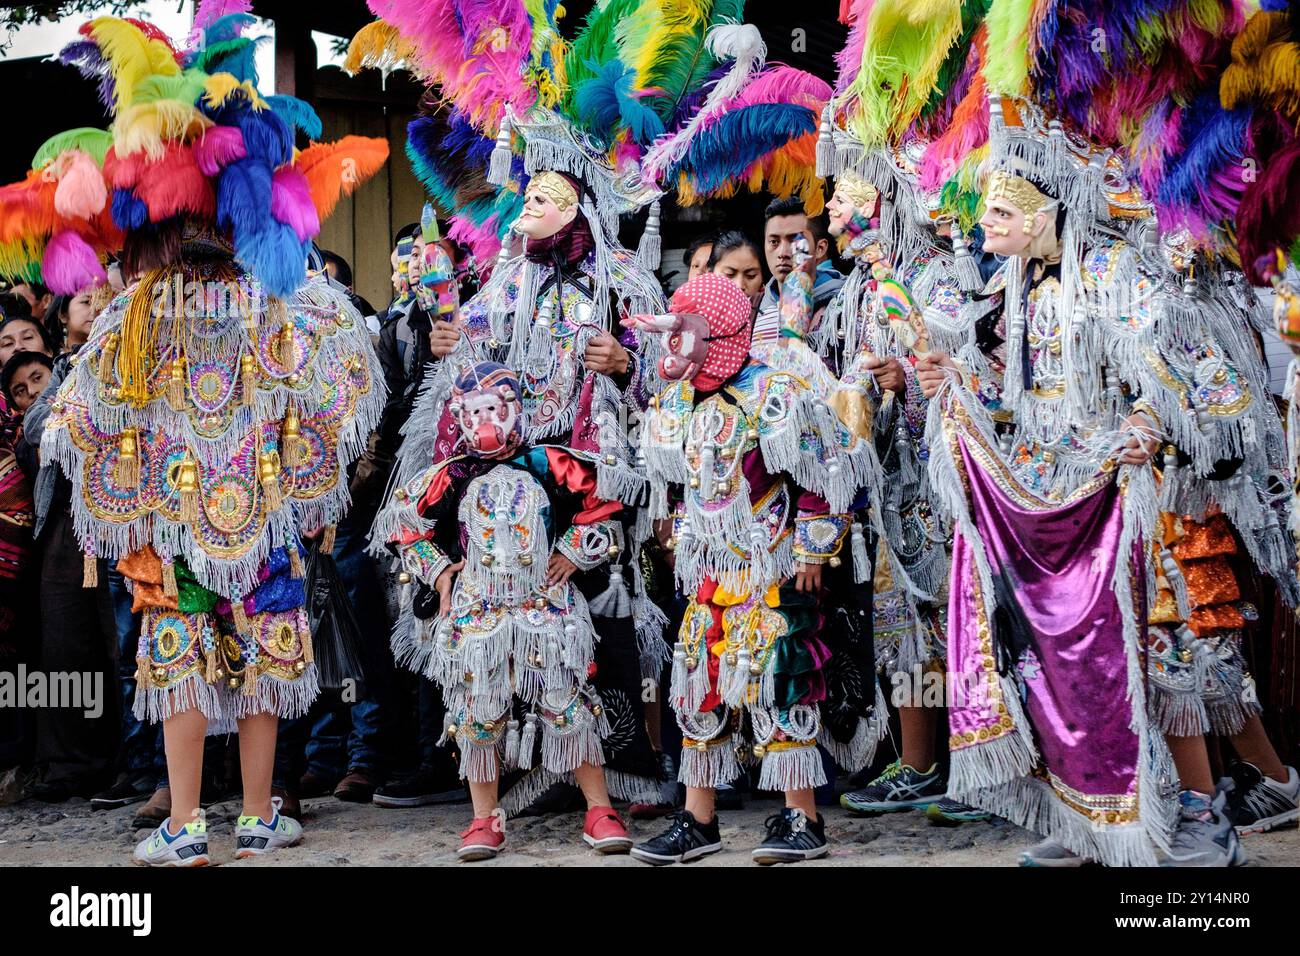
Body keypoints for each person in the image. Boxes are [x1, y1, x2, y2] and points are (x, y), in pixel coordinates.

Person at [18, 15, 389, 865]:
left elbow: (73, 423)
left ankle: (187, 825)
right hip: (260, 522)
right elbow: (349, 381)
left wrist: (139, 488)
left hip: (175, 524)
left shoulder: (135, 313)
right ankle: (257, 817)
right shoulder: (279, 302)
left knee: (183, 660)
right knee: (260, 661)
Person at [627, 268, 876, 866]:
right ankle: (698, 819)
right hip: (711, 570)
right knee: (697, 683)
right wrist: (676, 528)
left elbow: (825, 472)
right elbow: (681, 485)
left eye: (684, 333)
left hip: (773, 565)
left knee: (778, 681)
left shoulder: (774, 393)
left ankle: (802, 817)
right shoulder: (679, 400)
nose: (672, 348)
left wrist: (815, 547)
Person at [382, 361, 638, 860]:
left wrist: (574, 550)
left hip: (546, 605)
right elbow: (403, 523)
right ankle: (484, 818)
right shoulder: (447, 476)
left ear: (514, 409)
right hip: (478, 610)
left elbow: (607, 501)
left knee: (567, 702)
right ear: (458, 416)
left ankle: (599, 808)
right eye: (473, 411)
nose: (485, 421)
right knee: (478, 710)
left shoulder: (548, 462)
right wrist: (439, 572)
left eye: (493, 409)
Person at [753, 196, 844, 343]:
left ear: (820, 249)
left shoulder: (845, 304)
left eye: (795, 241)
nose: (782, 253)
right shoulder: (753, 309)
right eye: (774, 242)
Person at [708, 231, 765, 308]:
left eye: (751, 275)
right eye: (729, 274)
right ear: (710, 273)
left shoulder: (774, 315)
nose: (739, 285)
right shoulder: (692, 315)